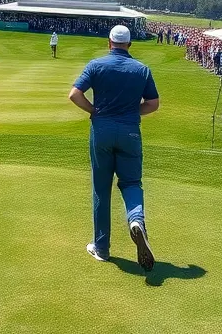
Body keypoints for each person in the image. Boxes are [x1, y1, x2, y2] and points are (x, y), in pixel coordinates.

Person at [68, 24, 160, 271]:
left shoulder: (96, 65)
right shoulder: (141, 69)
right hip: (130, 131)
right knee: (131, 183)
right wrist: (132, 112)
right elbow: (153, 104)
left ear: (109, 42)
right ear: (129, 44)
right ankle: (136, 220)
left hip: (102, 131)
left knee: (101, 188)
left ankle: (102, 248)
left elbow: (74, 95)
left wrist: (93, 111)